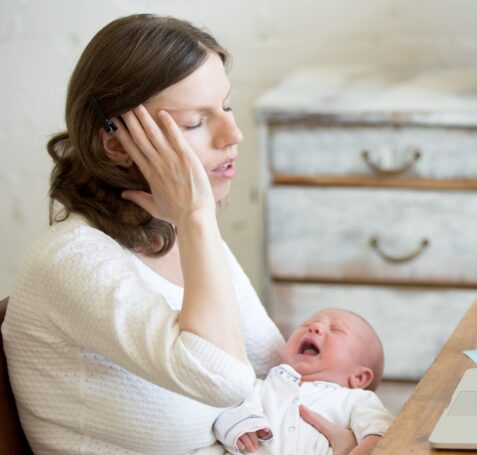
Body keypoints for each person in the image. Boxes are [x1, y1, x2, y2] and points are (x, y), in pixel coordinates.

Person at [2, 14, 358, 454]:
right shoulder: (72, 260)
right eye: (194, 122)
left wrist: (355, 434)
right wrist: (196, 219)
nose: (233, 134)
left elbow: (275, 371)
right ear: (116, 144)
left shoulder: (174, 234)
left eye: (225, 107)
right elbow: (226, 381)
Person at [213, 308, 393, 455]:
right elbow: (224, 414)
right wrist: (237, 428)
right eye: (306, 324)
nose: (314, 327)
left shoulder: (356, 400)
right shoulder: (262, 386)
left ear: (359, 377)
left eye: (336, 329)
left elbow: (381, 433)